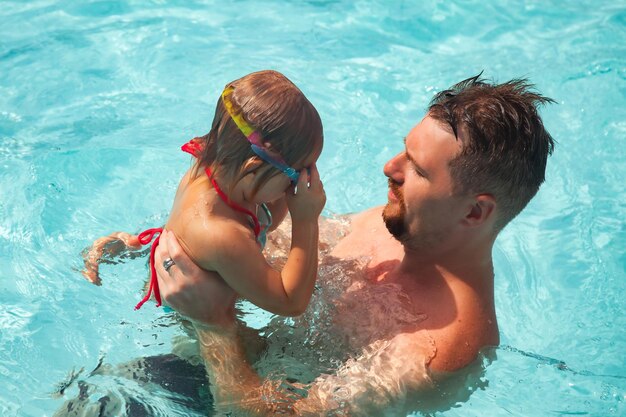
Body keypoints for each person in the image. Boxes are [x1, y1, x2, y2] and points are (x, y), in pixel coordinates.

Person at [153, 74, 555, 415]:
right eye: (404, 150)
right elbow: (254, 249)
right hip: (203, 373)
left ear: (474, 213)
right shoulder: (387, 224)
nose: (390, 168)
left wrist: (215, 328)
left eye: (416, 169)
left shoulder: (433, 352)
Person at [81, 70, 326, 319]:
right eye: (296, 175)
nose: (294, 186)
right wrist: (306, 220)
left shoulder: (213, 168)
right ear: (252, 168)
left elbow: (267, 222)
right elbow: (290, 303)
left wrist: (289, 179)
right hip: (183, 318)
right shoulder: (223, 233)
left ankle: (127, 244)